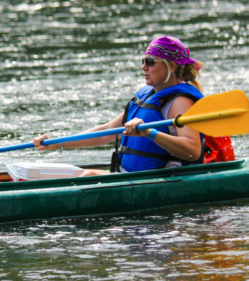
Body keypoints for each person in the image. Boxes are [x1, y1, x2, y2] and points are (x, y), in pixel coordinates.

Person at [32, 36, 205, 176]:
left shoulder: (180, 102)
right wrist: (56, 144)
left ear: (172, 66)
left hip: (161, 180)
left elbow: (193, 150)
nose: (143, 67)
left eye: (150, 61)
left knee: (89, 176)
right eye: (143, 60)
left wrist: (149, 133)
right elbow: (105, 132)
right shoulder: (148, 96)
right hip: (130, 176)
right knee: (66, 174)